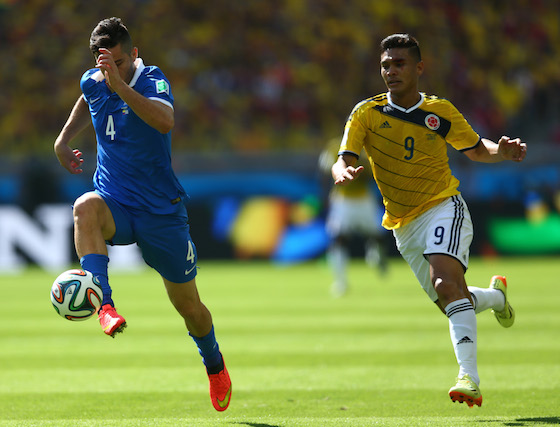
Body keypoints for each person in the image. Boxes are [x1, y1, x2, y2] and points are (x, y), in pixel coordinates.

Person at [332, 34, 526, 407]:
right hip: (403, 225)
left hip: (442, 205)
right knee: (452, 297)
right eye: (386, 65)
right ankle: (497, 297)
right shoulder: (366, 114)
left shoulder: (439, 111)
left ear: (419, 68)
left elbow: (474, 148)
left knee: (445, 284)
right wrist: (342, 170)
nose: (391, 71)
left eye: (399, 64)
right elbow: (345, 156)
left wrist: (499, 151)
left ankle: (468, 378)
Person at [53, 17, 231, 412]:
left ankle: (214, 364)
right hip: (115, 201)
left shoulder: (152, 80)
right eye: (104, 65)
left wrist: (118, 85)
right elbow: (87, 96)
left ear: (133, 54)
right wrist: (64, 139)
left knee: (190, 309)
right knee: (84, 207)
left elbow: (165, 120)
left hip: (160, 211)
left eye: (118, 62)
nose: (110, 71)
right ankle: (104, 304)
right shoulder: (95, 80)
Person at [319, 138, 387, 297]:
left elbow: (374, 175)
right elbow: (323, 172)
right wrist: (325, 198)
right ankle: (340, 281)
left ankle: (377, 255)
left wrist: (361, 170)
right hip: (342, 200)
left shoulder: (368, 146)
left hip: (364, 199)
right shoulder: (333, 146)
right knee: (338, 238)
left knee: (377, 236)